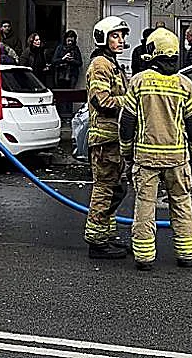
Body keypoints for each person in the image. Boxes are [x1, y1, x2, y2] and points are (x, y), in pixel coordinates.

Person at [120, 27, 192, 271]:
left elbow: (127, 121)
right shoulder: (184, 84)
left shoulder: (139, 82)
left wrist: (126, 150)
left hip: (146, 159)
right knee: (181, 202)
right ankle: (187, 253)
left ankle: (144, 256)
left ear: (152, 52)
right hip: (177, 158)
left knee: (145, 205)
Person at [83, 16, 130, 259]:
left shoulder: (113, 65)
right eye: (115, 35)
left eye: (122, 35)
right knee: (104, 191)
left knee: (116, 189)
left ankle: (107, 235)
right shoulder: (100, 64)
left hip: (115, 140)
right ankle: (97, 243)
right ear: (103, 38)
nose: (121, 40)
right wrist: (131, 102)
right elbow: (102, 102)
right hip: (104, 142)